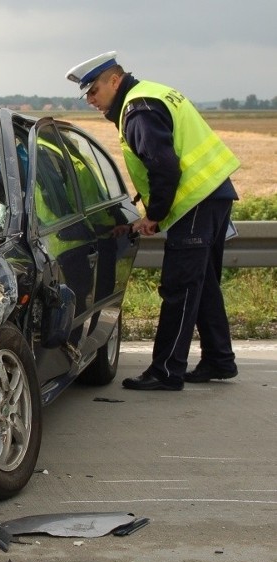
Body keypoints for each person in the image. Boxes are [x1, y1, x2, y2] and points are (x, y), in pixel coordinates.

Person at [65, 51, 240, 391]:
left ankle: (166, 371)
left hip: (195, 203)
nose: (90, 100)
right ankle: (219, 359)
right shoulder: (150, 93)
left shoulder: (137, 110)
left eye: (94, 90)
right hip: (214, 196)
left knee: (180, 288)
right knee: (202, 286)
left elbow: (164, 166)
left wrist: (155, 216)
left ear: (114, 80)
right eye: (86, 94)